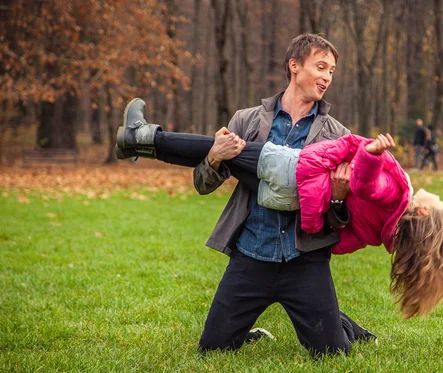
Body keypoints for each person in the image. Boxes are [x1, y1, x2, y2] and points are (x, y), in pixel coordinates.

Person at [118, 33, 378, 356]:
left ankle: (341, 322)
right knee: (213, 348)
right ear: (294, 66)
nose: (327, 77)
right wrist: (214, 156)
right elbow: (203, 183)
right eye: (321, 67)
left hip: (304, 260)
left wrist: (338, 196)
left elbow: (340, 216)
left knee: (332, 353)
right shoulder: (247, 120)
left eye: (332, 71)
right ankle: (141, 139)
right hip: (252, 254)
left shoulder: (337, 134)